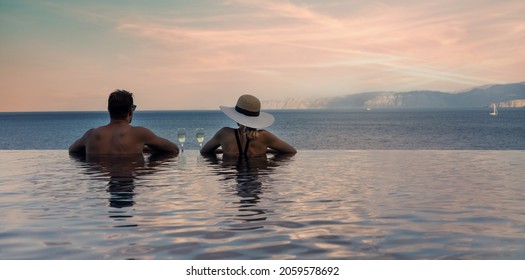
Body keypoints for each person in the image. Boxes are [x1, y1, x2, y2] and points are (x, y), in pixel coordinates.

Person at [69, 89, 179, 155]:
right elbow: (174, 149)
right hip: (128, 172)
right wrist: (146, 149)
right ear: (129, 111)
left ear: (109, 111)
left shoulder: (91, 135)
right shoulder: (139, 133)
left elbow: (72, 150)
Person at [200, 94, 296, 156]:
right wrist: (266, 151)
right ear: (256, 119)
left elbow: (204, 151)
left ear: (236, 117)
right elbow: (291, 151)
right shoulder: (264, 136)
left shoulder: (224, 133)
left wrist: (223, 151)